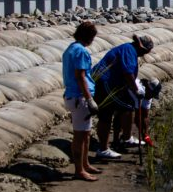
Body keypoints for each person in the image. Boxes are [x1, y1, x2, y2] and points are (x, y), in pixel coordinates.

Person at [92, 35, 155, 159]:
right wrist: (136, 91)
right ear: (140, 47)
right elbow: (128, 73)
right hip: (105, 84)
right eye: (145, 52)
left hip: (111, 84)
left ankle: (125, 138)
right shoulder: (129, 50)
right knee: (110, 113)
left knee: (126, 107)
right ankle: (104, 148)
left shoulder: (129, 49)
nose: (143, 54)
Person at [62, 22, 102, 181]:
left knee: (86, 134)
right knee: (79, 135)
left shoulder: (71, 48)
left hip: (74, 96)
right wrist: (89, 99)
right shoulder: (81, 52)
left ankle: (85, 164)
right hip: (79, 98)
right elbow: (81, 76)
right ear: (89, 37)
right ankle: (79, 170)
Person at [132, 78, 161, 147]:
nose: (151, 97)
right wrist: (143, 134)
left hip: (132, 102)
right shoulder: (139, 90)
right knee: (127, 114)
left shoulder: (149, 96)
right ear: (148, 88)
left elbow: (145, 116)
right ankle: (121, 139)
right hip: (122, 93)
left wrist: (146, 135)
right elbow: (137, 118)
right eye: (152, 94)